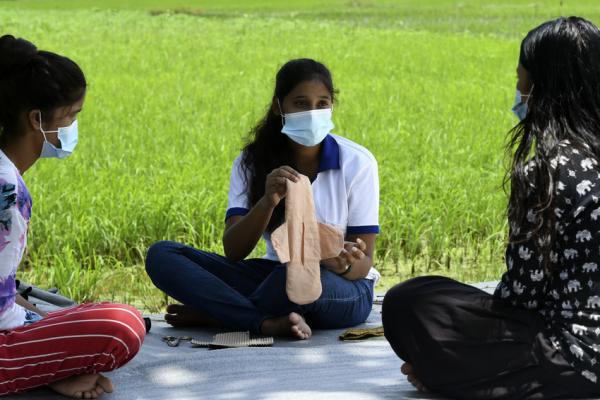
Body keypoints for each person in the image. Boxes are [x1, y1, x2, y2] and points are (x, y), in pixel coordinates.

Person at [382, 16, 600, 399]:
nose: (517, 89)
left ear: (544, 87)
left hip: (574, 356)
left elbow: (522, 294)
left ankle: (456, 372)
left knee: (411, 301)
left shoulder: (547, 170)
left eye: (521, 78)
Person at [146, 58, 380, 340]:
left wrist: (342, 264)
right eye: (301, 103)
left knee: (291, 278)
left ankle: (220, 315)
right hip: (274, 274)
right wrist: (268, 201)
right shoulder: (251, 162)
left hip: (342, 287)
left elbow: (363, 262)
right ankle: (263, 322)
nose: (312, 113)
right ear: (278, 106)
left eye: (322, 104)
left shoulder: (357, 162)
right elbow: (234, 251)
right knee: (162, 255)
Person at [0, 35, 145, 398]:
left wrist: (48, 325)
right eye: (71, 116)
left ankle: (46, 368)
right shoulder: (7, 191)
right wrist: (49, 342)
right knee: (122, 324)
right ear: (36, 119)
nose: (72, 127)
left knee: (61, 317)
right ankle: (32, 371)